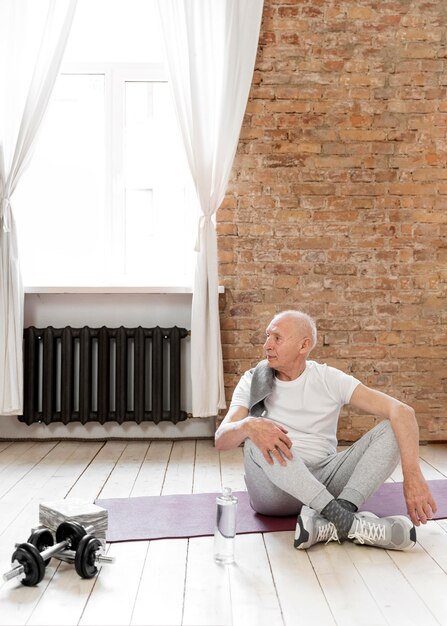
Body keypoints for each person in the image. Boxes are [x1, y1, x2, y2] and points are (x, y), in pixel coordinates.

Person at [215, 310, 437, 550]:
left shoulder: (328, 378)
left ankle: (335, 519)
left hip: (326, 481)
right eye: (267, 336)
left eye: (277, 338)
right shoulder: (252, 380)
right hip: (274, 492)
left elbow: (402, 411)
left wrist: (413, 476)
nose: (267, 345)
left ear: (304, 345)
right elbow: (221, 440)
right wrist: (249, 424)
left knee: (393, 428)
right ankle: (346, 521)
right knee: (257, 434)